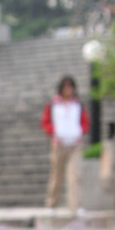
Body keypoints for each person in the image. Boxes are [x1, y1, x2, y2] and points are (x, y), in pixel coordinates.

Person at [40, 76, 90, 213]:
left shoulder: (78, 105)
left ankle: (77, 205)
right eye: (65, 87)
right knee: (57, 175)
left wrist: (80, 131)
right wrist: (54, 132)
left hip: (75, 144)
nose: (68, 90)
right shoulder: (52, 104)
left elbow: (85, 122)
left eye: (70, 87)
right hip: (59, 143)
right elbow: (45, 122)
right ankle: (52, 204)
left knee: (75, 175)